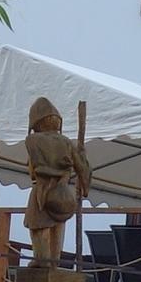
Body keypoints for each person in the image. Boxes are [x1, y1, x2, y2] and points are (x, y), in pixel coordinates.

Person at [19, 95, 90, 271]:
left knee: (37, 226)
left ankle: (42, 259)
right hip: (63, 191)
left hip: (43, 189)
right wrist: (83, 180)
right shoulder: (66, 142)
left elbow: (35, 167)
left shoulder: (33, 140)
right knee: (57, 225)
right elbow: (82, 168)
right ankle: (53, 260)